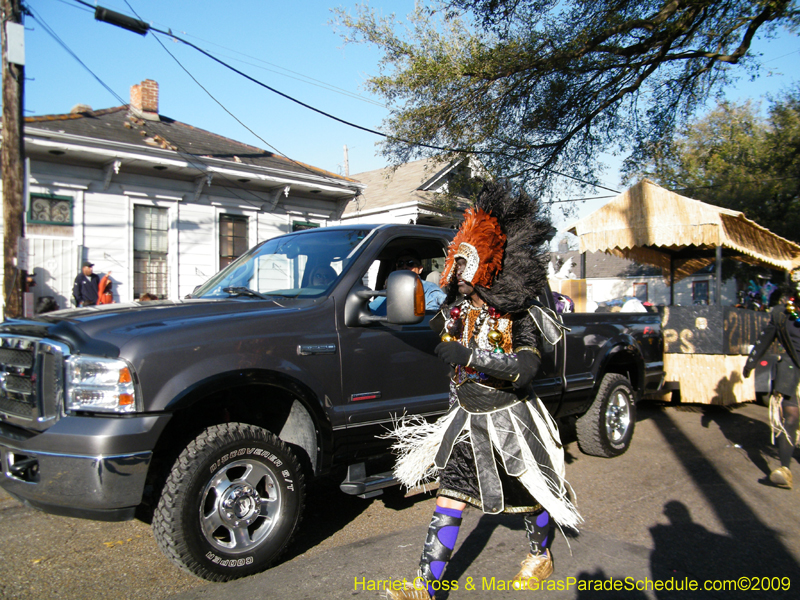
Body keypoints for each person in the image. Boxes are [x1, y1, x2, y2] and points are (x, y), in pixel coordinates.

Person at [385, 181, 581, 599]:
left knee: (528, 495)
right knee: (450, 496)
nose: (457, 282)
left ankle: (540, 554)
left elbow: (526, 369)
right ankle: (426, 585)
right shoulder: (455, 311)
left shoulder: (521, 315)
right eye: (455, 273)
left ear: (488, 271)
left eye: (464, 275)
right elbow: (428, 325)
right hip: (467, 420)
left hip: (511, 421)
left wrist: (471, 357)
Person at [743, 295, 800, 489]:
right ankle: (785, 470)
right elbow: (766, 338)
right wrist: (751, 362)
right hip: (791, 369)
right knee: (790, 418)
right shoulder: (781, 314)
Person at [371, 249, 447, 314]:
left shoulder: (429, 288)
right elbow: (371, 311)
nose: (404, 266)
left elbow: (434, 315)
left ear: (420, 269)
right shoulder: (390, 290)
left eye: (410, 263)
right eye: (400, 264)